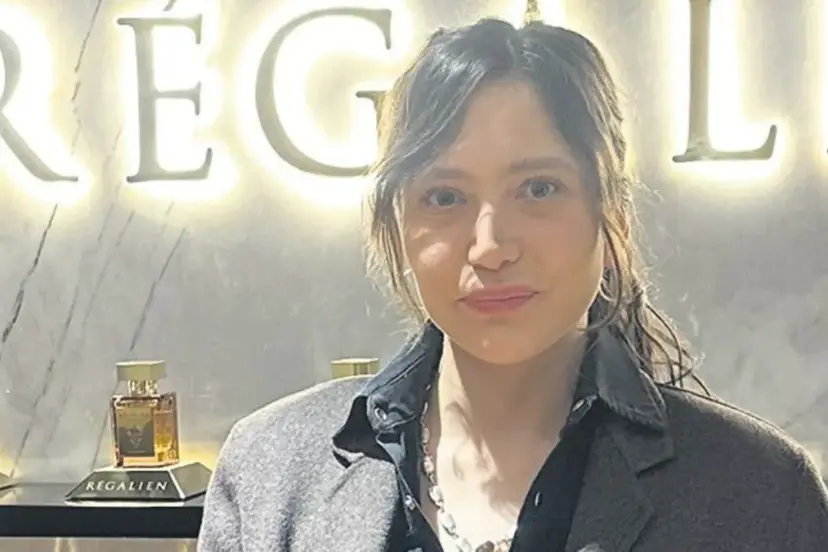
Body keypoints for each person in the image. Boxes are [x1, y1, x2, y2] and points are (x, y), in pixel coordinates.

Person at [197, 14, 828, 552]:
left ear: (609, 210)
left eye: (539, 189)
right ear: (398, 224)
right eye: (445, 196)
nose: (491, 247)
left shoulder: (759, 491)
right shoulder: (271, 472)